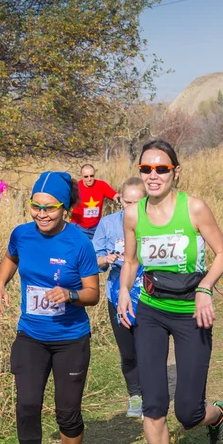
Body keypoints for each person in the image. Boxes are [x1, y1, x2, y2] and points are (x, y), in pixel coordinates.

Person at [118, 140, 223, 444]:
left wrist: (205, 288)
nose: (153, 176)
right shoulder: (133, 213)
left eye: (161, 169)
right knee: (153, 402)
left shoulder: (195, 208)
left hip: (190, 313)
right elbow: (132, 260)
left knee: (188, 411)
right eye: (146, 169)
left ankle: (217, 419)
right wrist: (124, 290)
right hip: (151, 310)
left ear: (175, 172)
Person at [0, 171, 100, 444]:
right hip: (31, 336)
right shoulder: (22, 235)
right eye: (35, 206)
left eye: (50, 208)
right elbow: (11, 257)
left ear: (65, 208)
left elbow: (92, 293)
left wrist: (70, 294)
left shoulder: (79, 242)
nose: (41, 214)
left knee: (67, 411)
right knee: (26, 404)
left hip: (70, 338)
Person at [93, 177, 146, 418]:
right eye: (127, 201)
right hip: (117, 295)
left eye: (138, 201)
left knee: (148, 349)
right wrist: (106, 260)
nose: (132, 207)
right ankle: (135, 396)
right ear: (119, 200)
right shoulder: (107, 224)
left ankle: (153, 396)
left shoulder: (155, 221)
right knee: (128, 351)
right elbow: (94, 260)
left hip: (149, 295)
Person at [70, 164, 117, 240]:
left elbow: (114, 195)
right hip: (79, 226)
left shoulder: (101, 185)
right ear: (82, 176)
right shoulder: (75, 187)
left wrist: (122, 198)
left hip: (96, 227)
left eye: (91, 176)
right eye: (86, 176)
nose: (89, 179)